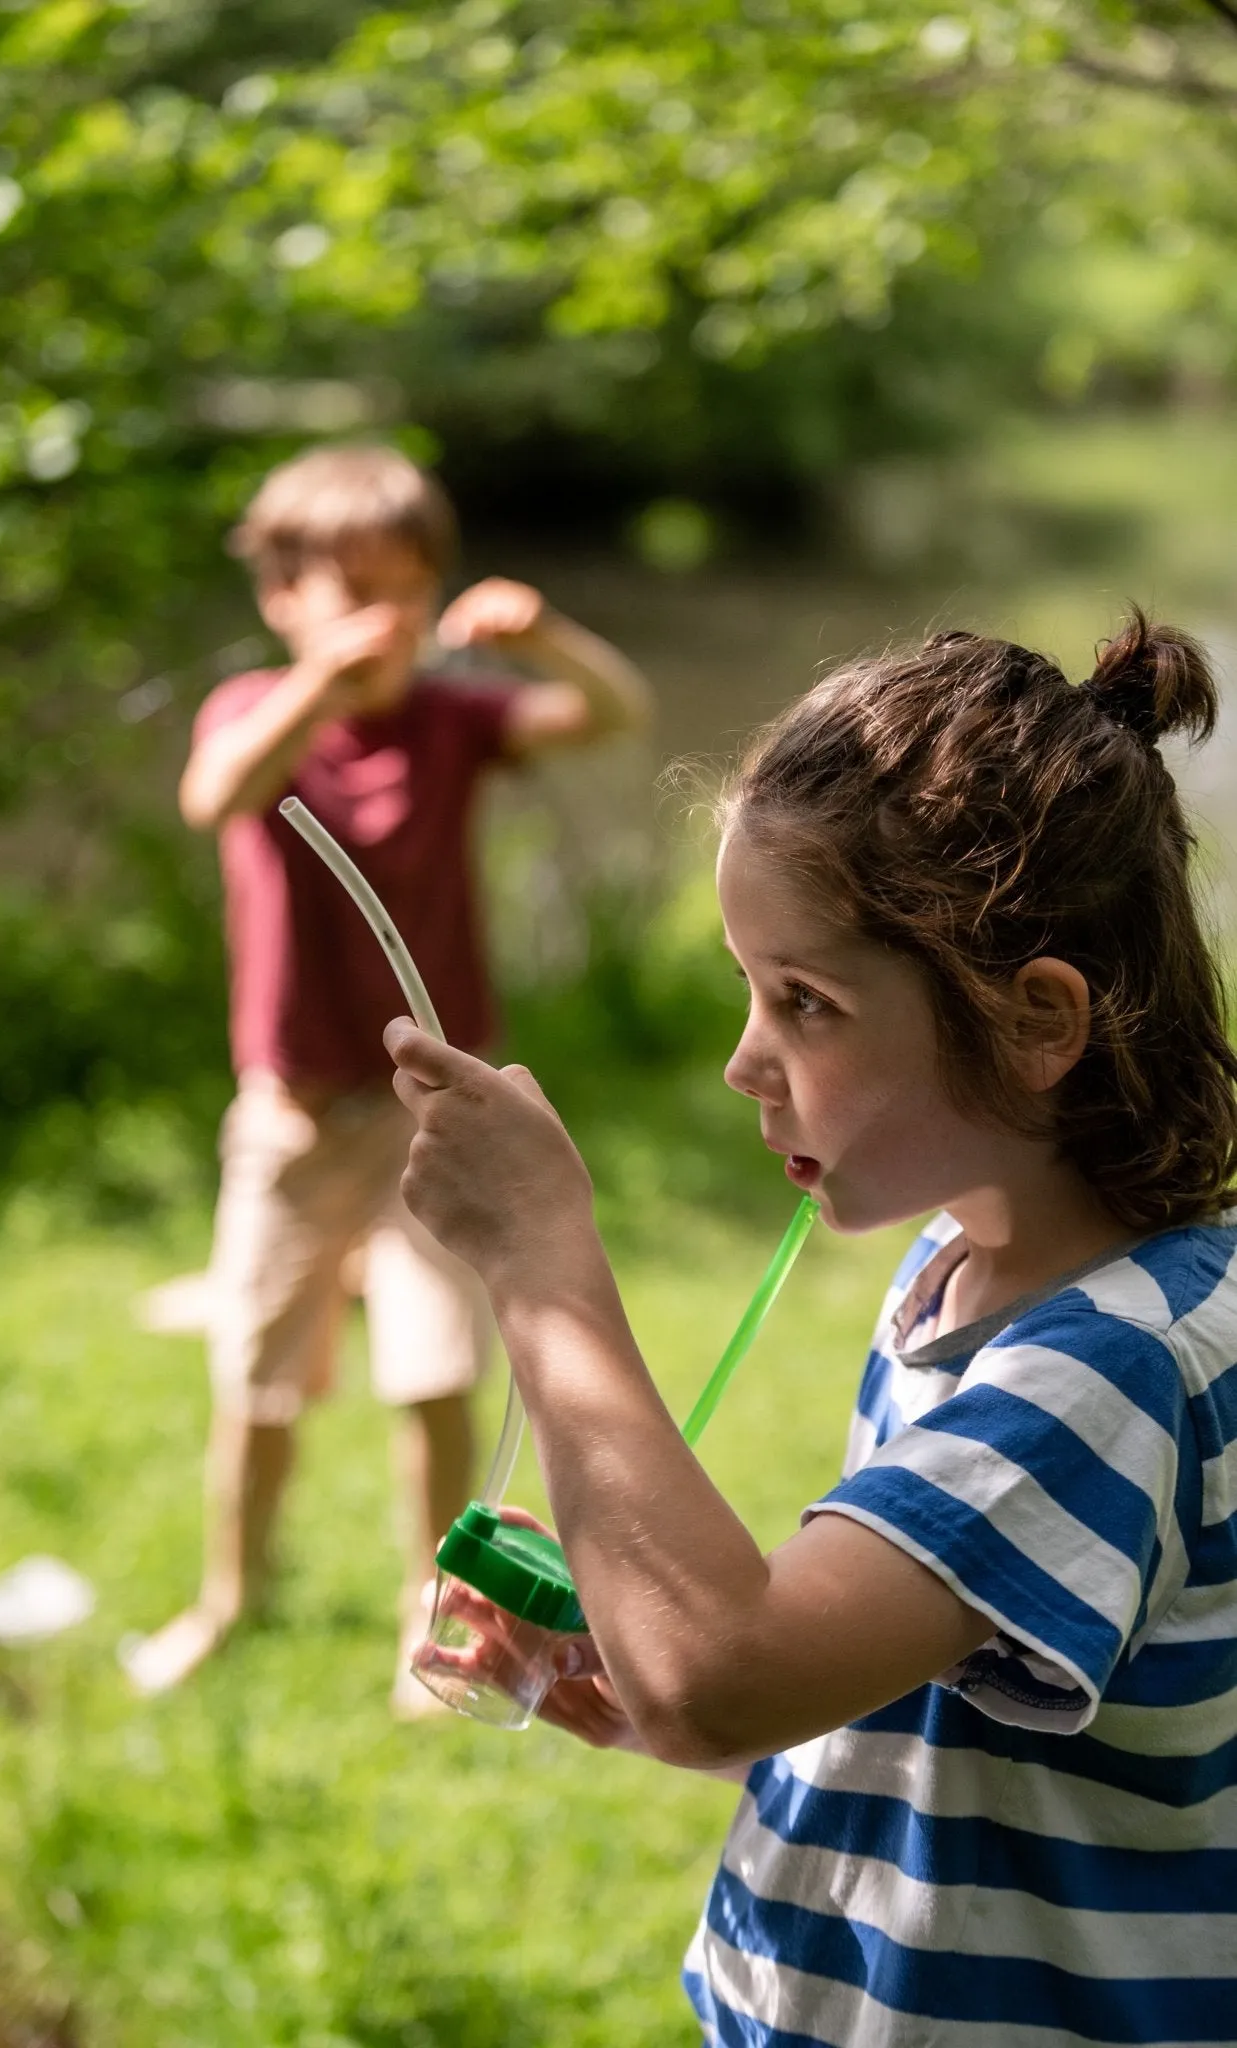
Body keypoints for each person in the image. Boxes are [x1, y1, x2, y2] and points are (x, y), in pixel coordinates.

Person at [385, 610, 1237, 2042]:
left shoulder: (1120, 1373)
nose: (742, 1061)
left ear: (1035, 1020)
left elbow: (729, 1679)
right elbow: (908, 1712)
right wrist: (652, 1648)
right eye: (744, 986)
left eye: (807, 1001)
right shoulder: (951, 1283)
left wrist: (540, 1261)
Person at [123, 442, 651, 1703]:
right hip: (296, 1118)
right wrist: (316, 683)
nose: (381, 619)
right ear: (280, 596)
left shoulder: (452, 721)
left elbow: (613, 714)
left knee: (435, 1374)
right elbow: (216, 795)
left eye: (406, 590)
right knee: (257, 1379)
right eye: (347, 588)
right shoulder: (254, 713)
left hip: (434, 1118)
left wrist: (547, 636)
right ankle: (229, 1597)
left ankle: (435, 1617)